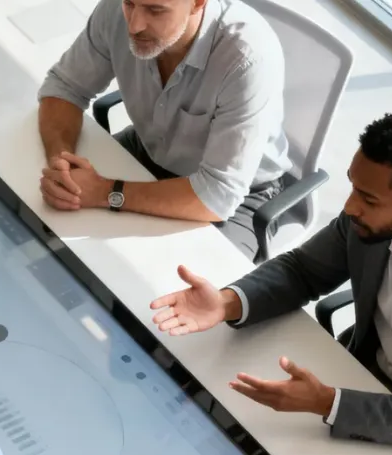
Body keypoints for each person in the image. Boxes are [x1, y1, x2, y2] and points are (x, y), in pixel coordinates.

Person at [149, 108, 392, 455]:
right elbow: (303, 270)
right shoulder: (369, 216)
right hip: (358, 370)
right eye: (354, 186)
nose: (350, 207)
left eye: (368, 199)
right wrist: (227, 302)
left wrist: (326, 402)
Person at [37, 0, 291, 261]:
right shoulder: (117, 10)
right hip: (148, 150)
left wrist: (105, 193)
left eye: (155, 10)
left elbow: (219, 193)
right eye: (130, 4)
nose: (134, 25)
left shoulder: (249, 58)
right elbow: (65, 86)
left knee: (178, 290)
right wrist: (62, 164)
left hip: (240, 197)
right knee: (47, 235)